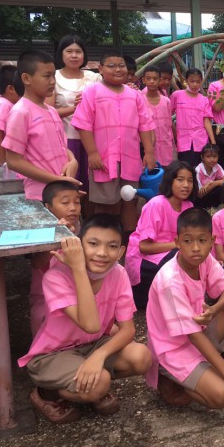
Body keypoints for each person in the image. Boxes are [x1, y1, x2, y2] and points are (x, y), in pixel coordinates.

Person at [18, 215, 152, 424]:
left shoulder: (118, 273)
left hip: (93, 344)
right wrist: (79, 268)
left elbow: (128, 330)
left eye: (112, 246)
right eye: (93, 244)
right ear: (79, 246)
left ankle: (87, 382)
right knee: (100, 383)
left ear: (120, 252)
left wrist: (98, 356)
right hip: (53, 354)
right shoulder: (56, 277)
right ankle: (46, 393)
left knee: (141, 356)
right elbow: (90, 324)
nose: (102, 253)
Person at [145, 208, 224, 409]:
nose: (195, 248)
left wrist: (214, 310)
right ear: (177, 242)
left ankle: (219, 370)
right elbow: (194, 337)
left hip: (199, 330)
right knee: (222, 396)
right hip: (173, 349)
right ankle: (174, 378)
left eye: (202, 240)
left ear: (211, 241)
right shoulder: (170, 280)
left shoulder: (205, 259)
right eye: (187, 241)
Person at [71, 52, 156, 233]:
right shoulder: (91, 92)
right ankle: (103, 237)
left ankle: (129, 240)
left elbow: (145, 124)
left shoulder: (135, 95)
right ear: (100, 69)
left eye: (121, 65)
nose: (118, 69)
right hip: (104, 159)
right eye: (111, 66)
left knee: (130, 199)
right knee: (105, 203)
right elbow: (83, 124)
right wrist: (92, 153)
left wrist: (149, 152)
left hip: (130, 157)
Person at [4, 50, 80, 200]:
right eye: (46, 76)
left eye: (53, 75)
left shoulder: (51, 111)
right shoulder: (21, 112)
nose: (52, 81)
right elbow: (13, 161)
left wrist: (73, 161)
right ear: (26, 78)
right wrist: (56, 180)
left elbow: (62, 147)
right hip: (41, 194)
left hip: (61, 190)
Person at [125, 161, 195, 310]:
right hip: (144, 260)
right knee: (183, 257)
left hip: (171, 255)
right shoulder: (156, 204)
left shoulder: (188, 206)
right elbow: (144, 247)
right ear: (170, 181)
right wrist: (177, 245)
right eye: (180, 179)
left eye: (190, 180)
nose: (186, 185)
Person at [48, 35, 101, 193]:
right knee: (70, 185)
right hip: (66, 140)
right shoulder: (53, 77)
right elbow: (48, 113)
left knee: (93, 186)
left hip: (93, 140)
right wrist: (75, 108)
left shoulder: (94, 78)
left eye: (78, 51)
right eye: (69, 51)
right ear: (61, 54)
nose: (74, 55)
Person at [30, 180, 82, 335]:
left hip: (76, 292)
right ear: (48, 208)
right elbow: (37, 263)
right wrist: (60, 237)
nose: (73, 208)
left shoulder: (80, 228)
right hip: (45, 297)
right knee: (42, 321)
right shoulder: (44, 230)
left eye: (77, 202)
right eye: (65, 203)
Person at [170, 68, 214, 167]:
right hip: (183, 140)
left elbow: (206, 121)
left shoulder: (204, 100)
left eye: (198, 81)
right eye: (192, 81)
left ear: (201, 81)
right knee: (185, 167)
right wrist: (174, 132)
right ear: (186, 81)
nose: (195, 84)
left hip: (201, 140)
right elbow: (168, 114)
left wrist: (213, 141)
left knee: (200, 168)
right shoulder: (177, 95)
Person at [140, 65, 175, 167]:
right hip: (149, 147)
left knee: (168, 172)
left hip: (166, 145)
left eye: (155, 79)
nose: (152, 81)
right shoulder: (140, 100)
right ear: (143, 80)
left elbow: (169, 124)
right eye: (148, 78)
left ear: (159, 80)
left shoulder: (166, 101)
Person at [195, 143, 224, 209]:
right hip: (200, 199)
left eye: (215, 156)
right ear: (202, 157)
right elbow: (200, 194)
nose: (212, 159)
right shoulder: (198, 170)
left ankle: (215, 208)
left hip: (210, 194)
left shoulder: (217, 166)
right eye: (208, 156)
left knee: (223, 188)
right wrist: (212, 184)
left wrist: (214, 183)